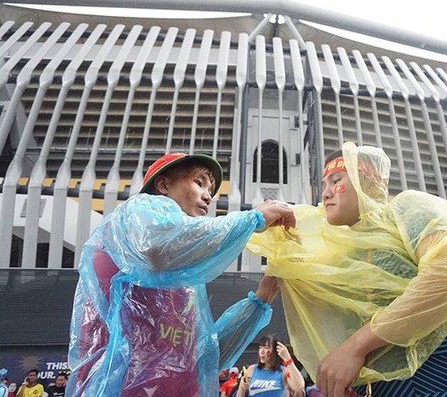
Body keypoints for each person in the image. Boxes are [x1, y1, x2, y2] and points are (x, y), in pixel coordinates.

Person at [248, 143, 447, 396]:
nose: (326, 194)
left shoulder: (406, 209)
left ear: (370, 179)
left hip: (443, 387)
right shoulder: (346, 254)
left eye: (337, 180)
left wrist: (355, 346)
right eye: (324, 185)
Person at [66, 153, 296, 397]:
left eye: (211, 190)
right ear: (163, 185)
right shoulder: (135, 215)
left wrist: (262, 297)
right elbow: (156, 246)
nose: (208, 196)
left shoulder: (185, 280)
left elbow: (202, 359)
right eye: (199, 182)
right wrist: (254, 218)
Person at [236, 334, 305, 397]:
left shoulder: (284, 372)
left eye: (266, 348)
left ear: (276, 350)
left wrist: (287, 359)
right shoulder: (252, 369)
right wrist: (242, 386)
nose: (262, 351)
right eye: (260, 347)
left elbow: (299, 387)